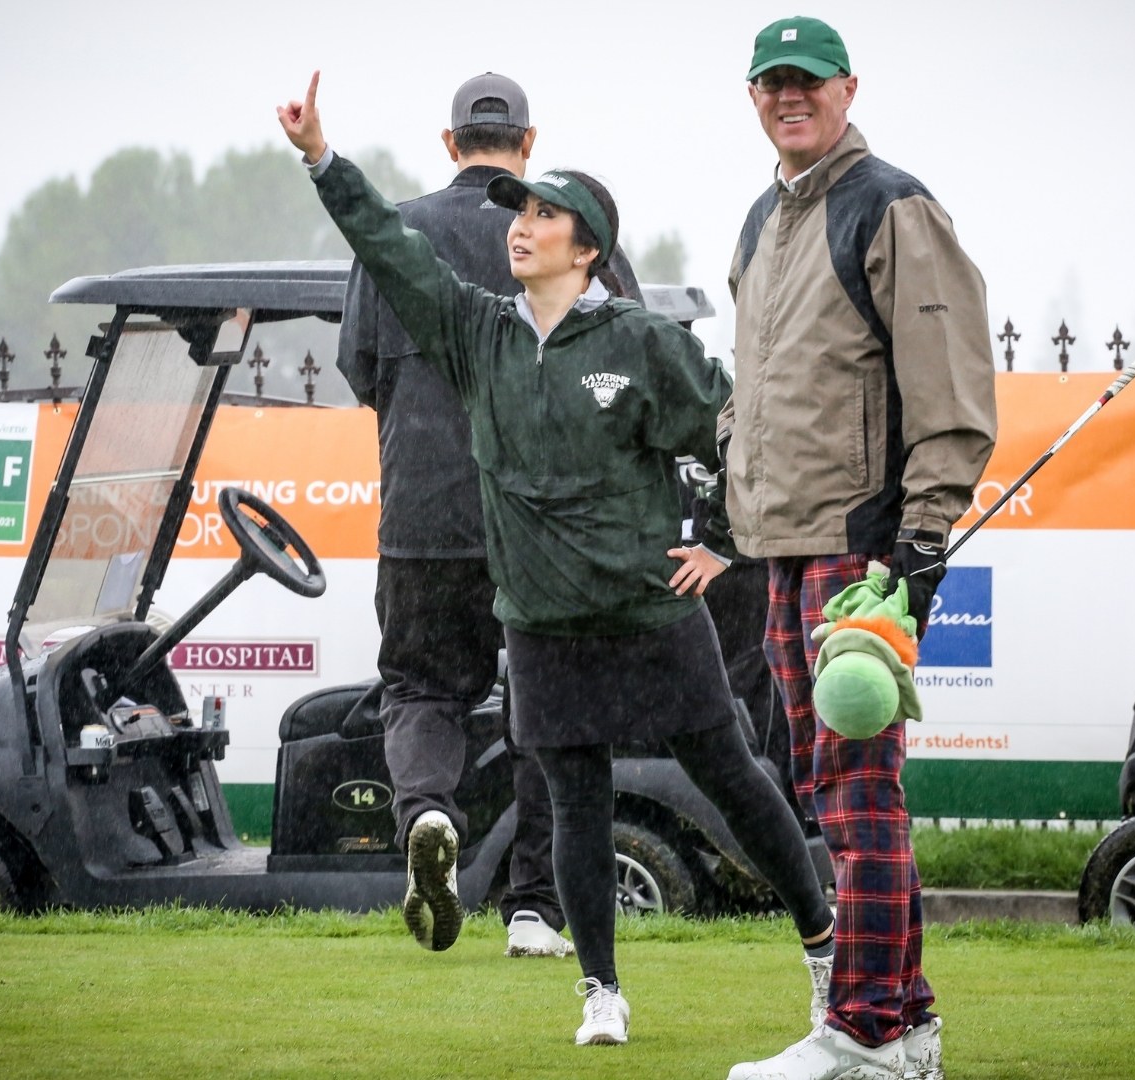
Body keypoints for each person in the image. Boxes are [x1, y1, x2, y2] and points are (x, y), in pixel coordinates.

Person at [279, 71, 835, 1052]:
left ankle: (826, 949)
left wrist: (722, 542)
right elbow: (389, 247)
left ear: (588, 250)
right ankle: (601, 991)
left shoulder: (643, 341)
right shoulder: (477, 334)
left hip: (650, 614)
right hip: (539, 624)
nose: (519, 225)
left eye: (541, 214)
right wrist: (323, 158)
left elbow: (744, 441)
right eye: (516, 211)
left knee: (735, 778)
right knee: (574, 801)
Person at [719, 16, 998, 1080]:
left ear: (846, 89)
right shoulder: (759, 221)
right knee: (834, 791)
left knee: (857, 789)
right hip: (782, 544)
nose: (790, 97)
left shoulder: (892, 205)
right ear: (753, 98)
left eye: (807, 81)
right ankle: (905, 1025)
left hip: (864, 549)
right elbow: (760, 388)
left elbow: (951, 384)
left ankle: (868, 1030)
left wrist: (924, 537)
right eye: (771, 83)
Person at [336, 73, 641, 960]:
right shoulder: (563, 227)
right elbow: (624, 360)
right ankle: (535, 908)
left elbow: (362, 369)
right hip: (541, 522)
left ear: (449, 142)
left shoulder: (397, 234)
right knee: (546, 709)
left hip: (423, 516)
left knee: (423, 688)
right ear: (529, 143)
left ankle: (429, 811)